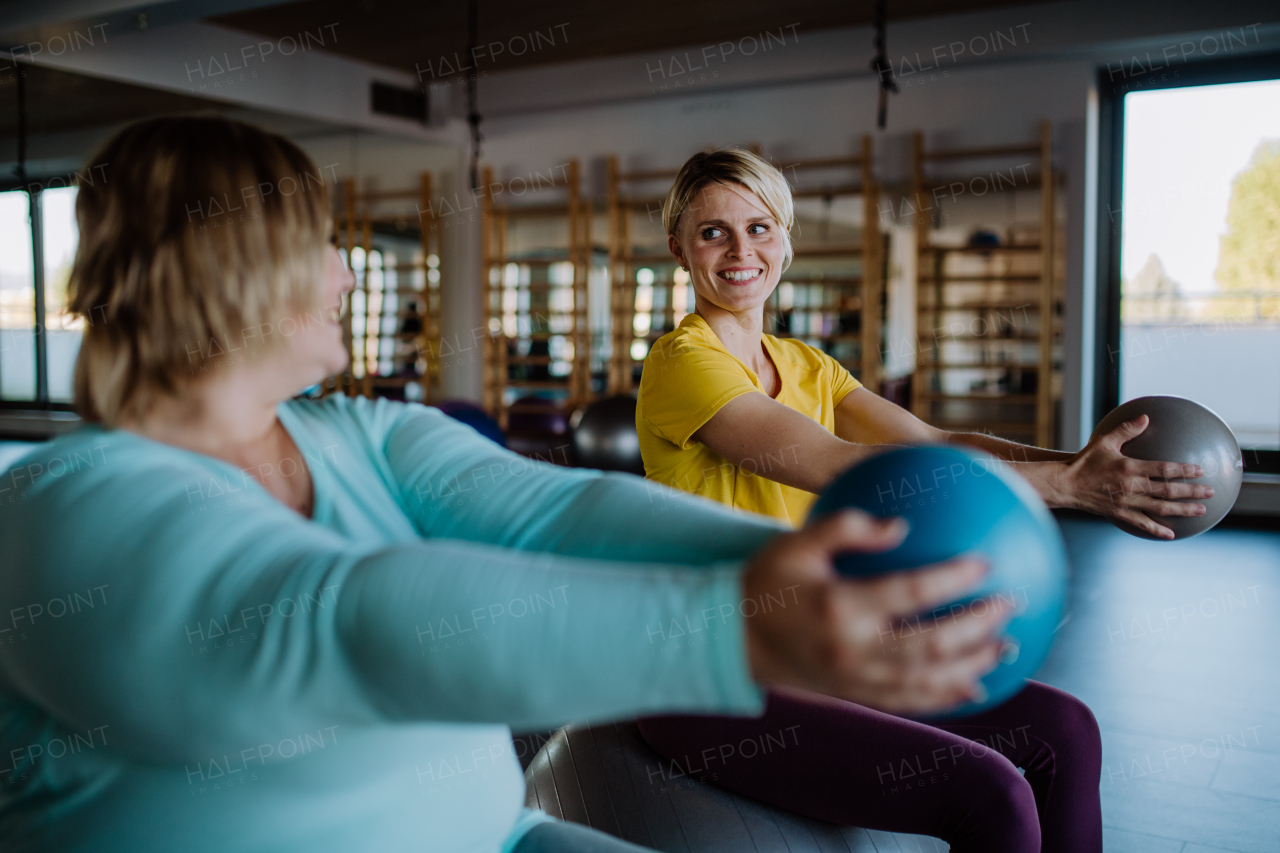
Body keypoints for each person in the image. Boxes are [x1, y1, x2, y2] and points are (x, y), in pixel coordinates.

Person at [0, 118, 1012, 853]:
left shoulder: (354, 431)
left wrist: (812, 574)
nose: (347, 274)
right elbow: (349, 623)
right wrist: (738, 629)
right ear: (232, 267)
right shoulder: (67, 509)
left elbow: (560, 507)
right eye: (320, 243)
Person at [634, 149, 1210, 853]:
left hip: (816, 644)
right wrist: (1069, 488)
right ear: (679, 249)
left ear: (785, 236)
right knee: (992, 793)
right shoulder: (682, 362)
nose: (740, 250)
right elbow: (842, 465)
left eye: (759, 226)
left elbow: (934, 439)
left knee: (1066, 732)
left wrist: (1087, 468)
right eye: (712, 232)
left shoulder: (805, 363)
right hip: (712, 673)